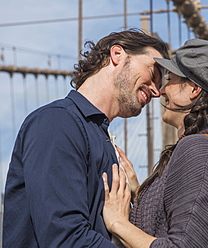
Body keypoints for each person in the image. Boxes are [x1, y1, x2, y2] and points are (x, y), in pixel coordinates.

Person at [2, 29, 169, 247]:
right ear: (117, 54)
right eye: (153, 72)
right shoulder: (57, 123)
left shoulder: (100, 137)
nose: (157, 91)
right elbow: (65, 239)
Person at [102, 39, 208, 247]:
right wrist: (139, 194)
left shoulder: (200, 150)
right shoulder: (204, 147)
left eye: (170, 79)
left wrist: (117, 222)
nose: (161, 91)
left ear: (194, 90)